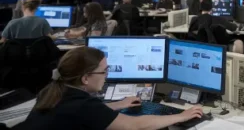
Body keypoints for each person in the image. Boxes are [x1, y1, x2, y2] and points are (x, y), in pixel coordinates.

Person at [18, 47, 203, 129]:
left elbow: (84, 114)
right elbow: (136, 126)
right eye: (104, 71)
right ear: (85, 78)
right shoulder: (82, 105)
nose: (107, 76)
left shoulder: (53, 90)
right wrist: (181, 116)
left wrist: (118, 104)